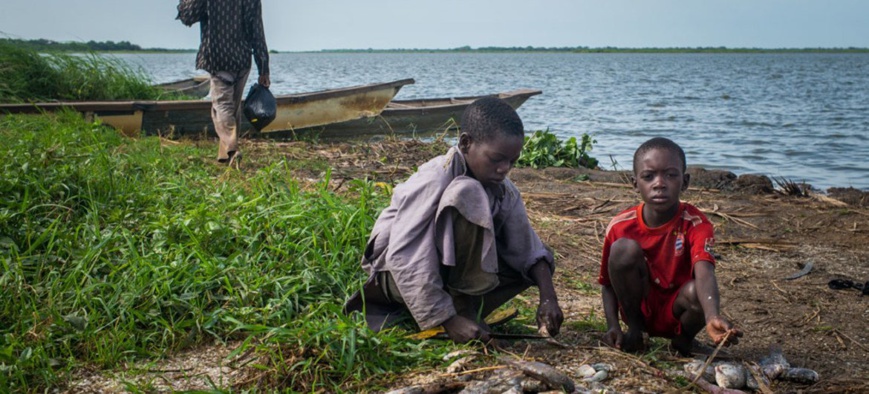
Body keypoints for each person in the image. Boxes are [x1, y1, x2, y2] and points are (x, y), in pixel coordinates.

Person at [344, 97, 563, 344]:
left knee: (537, 261)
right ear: (466, 143)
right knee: (467, 192)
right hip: (395, 276)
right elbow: (404, 257)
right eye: (496, 159)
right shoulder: (435, 178)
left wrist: (548, 298)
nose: (504, 169)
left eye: (512, 161)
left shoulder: (503, 188)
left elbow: (528, 248)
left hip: (445, 277)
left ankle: (464, 308)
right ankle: (455, 311)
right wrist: (447, 319)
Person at [598, 137, 742, 356]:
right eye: (648, 176)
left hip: (678, 308)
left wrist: (712, 316)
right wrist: (613, 326)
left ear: (685, 182)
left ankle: (682, 341)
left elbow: (705, 272)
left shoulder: (696, 223)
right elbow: (608, 285)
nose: (659, 183)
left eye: (670, 175)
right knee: (623, 249)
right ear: (635, 183)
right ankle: (635, 334)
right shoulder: (620, 226)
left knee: (696, 291)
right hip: (638, 307)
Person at [177, 0, 270, 165]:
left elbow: (187, 16)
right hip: (242, 59)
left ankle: (232, 149)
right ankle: (225, 157)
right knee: (232, 109)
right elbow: (258, 32)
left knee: (222, 107)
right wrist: (263, 68)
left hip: (218, 58)